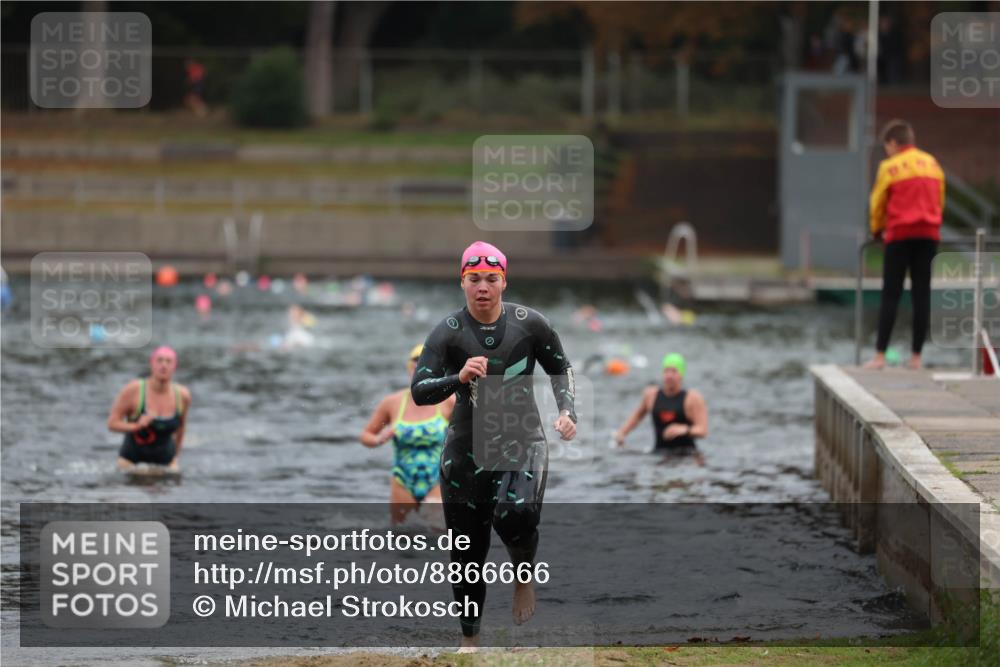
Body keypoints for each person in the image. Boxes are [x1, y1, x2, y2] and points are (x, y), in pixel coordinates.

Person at [410, 241, 577, 651]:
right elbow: (419, 391)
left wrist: (568, 412)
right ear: (462, 283)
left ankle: (523, 575)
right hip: (464, 450)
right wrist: (459, 377)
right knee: (468, 553)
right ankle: (470, 643)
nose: (482, 287)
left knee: (514, 513)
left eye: (491, 279)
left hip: (523, 440)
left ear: (503, 281)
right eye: (474, 279)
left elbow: (561, 369)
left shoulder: (531, 324)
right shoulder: (447, 332)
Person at [864, 120, 944, 371]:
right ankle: (916, 358)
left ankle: (879, 356)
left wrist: (876, 229)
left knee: (891, 294)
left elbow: (877, 202)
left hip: (899, 234)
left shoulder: (889, 167)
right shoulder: (932, 164)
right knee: (922, 294)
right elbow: (940, 199)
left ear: (894, 143)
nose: (886, 151)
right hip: (928, 235)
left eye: (887, 146)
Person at [360, 344, 456, 524]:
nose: (420, 364)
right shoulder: (392, 403)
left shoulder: (449, 401)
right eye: (416, 360)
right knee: (401, 538)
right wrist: (379, 439)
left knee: (438, 536)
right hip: (403, 479)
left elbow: (472, 431)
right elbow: (366, 435)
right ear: (409, 367)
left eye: (426, 361)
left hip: (436, 479)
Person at [613, 353, 708, 463]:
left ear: (681, 374)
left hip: (687, 456)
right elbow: (637, 416)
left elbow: (702, 430)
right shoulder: (651, 395)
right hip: (659, 453)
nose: (669, 375)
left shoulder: (693, 398)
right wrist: (621, 434)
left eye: (674, 371)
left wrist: (684, 430)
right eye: (666, 371)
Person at [108, 346, 191, 471]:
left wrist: (176, 456)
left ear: (175, 366)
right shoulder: (133, 390)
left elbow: (181, 428)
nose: (164, 365)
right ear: (151, 364)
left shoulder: (183, 395)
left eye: (169, 361)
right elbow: (112, 424)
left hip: (166, 465)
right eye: (159, 360)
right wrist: (136, 426)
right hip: (132, 464)